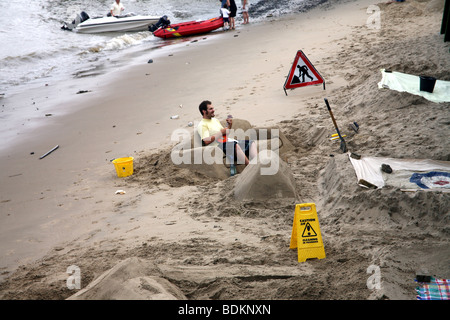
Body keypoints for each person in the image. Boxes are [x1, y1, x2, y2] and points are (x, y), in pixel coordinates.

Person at [197, 100, 256, 166]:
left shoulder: (215, 120)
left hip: (226, 142)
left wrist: (229, 125)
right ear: (204, 111)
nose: (213, 110)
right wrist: (221, 132)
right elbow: (206, 141)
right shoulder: (202, 125)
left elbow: (225, 134)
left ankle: (257, 164)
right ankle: (250, 167)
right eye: (211, 109)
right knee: (234, 144)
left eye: (213, 108)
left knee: (251, 143)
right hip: (217, 146)